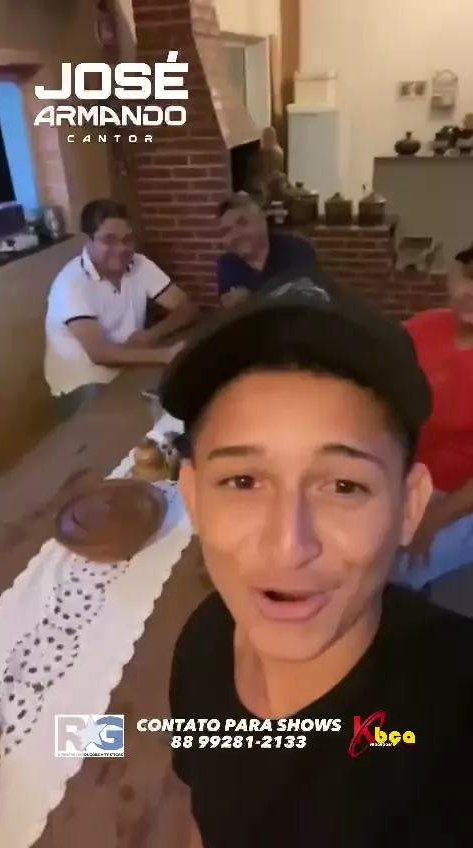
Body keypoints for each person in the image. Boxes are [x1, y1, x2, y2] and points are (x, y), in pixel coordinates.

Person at [159, 273, 473, 846]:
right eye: (243, 480)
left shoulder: (453, 724)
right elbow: (202, 816)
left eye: (345, 486)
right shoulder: (203, 645)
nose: (289, 545)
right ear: (193, 499)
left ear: (409, 507)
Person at [44, 199, 197, 418]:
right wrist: (165, 355)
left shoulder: (139, 264)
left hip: (129, 365)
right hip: (83, 383)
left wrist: (150, 335)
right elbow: (100, 354)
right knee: (132, 423)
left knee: (178, 398)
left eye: (127, 240)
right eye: (109, 240)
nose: (121, 249)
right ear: (87, 241)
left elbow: (187, 307)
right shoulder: (71, 283)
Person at [397, 244, 473, 589]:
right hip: (399, 477)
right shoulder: (424, 327)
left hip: (457, 499)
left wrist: (435, 518)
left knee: (399, 571)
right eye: (467, 277)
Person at [216, 193, 328, 307]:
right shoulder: (227, 265)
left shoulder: (296, 248)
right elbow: (230, 309)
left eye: (242, 223)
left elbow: (314, 299)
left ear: (262, 218)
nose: (235, 235)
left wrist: (252, 300)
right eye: (227, 230)